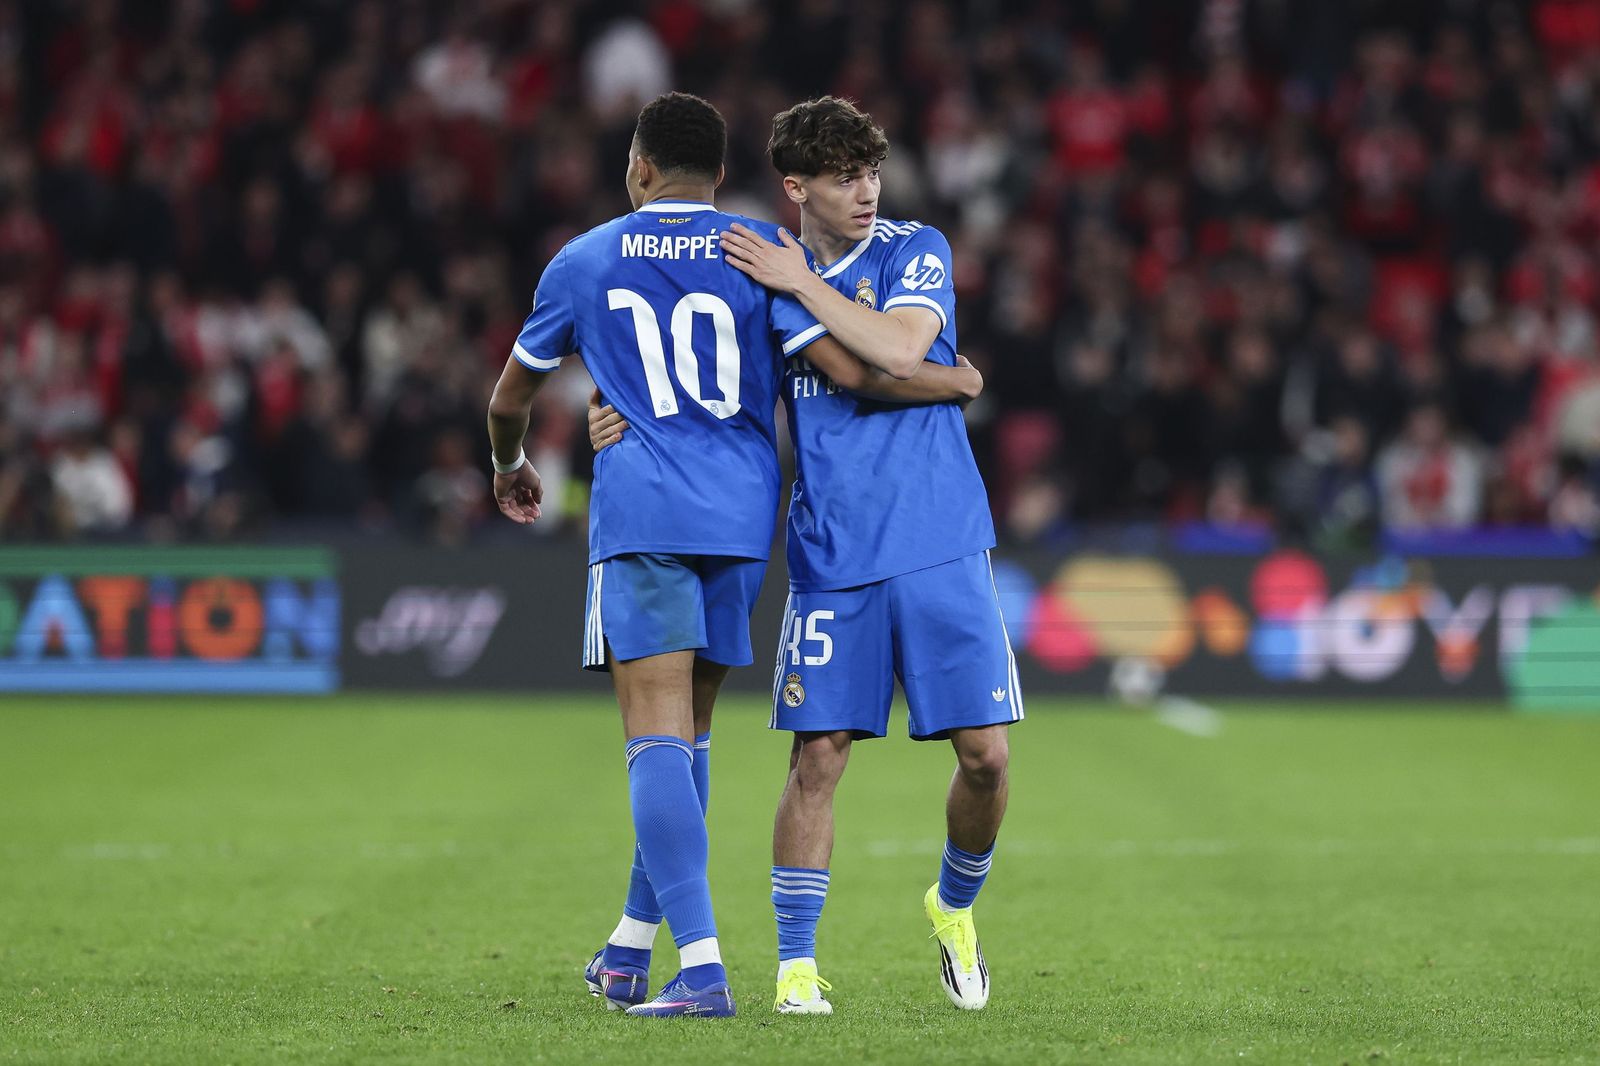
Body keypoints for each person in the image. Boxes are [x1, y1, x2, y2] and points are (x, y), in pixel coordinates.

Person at [489, 91, 979, 1019]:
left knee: (654, 733)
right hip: (741, 517)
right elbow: (849, 374)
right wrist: (955, 378)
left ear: (638, 168)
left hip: (641, 506)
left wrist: (511, 463)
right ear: (721, 175)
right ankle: (631, 949)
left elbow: (510, 397)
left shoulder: (584, 257)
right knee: (691, 734)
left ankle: (704, 966)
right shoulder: (758, 254)